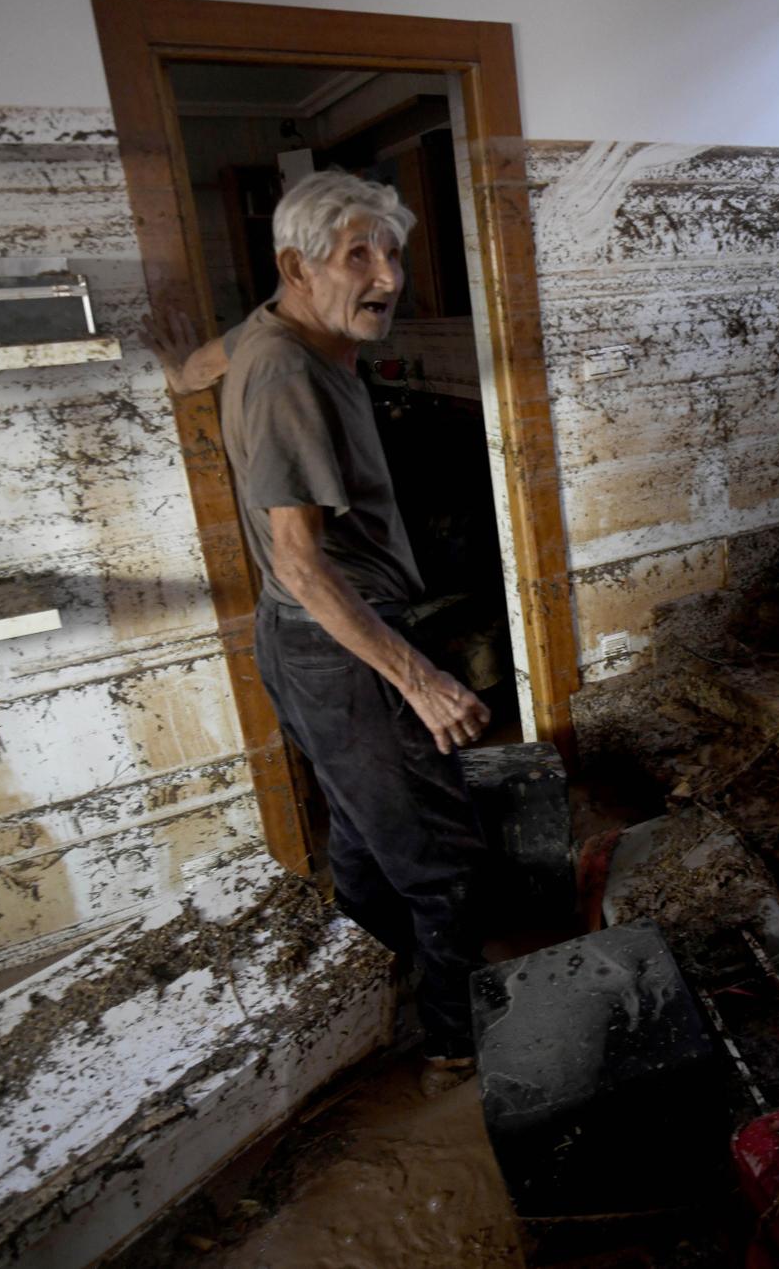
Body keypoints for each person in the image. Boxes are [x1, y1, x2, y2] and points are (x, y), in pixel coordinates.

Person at [145, 171, 491, 1097]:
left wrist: (180, 368)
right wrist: (419, 680)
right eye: (359, 256)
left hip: (300, 645)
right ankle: (455, 1046)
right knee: (441, 858)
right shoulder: (289, 372)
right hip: (338, 642)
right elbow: (301, 562)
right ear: (298, 267)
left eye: (394, 253)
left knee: (363, 835)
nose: (389, 275)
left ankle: (355, 1008)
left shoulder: (272, 333)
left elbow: (199, 364)